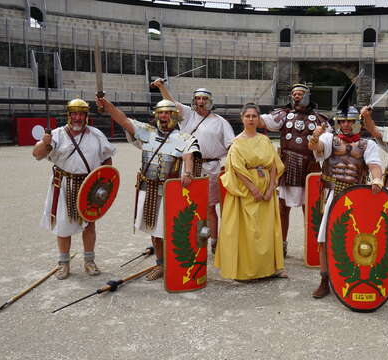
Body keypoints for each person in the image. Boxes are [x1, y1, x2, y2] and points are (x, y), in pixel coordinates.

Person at [96, 97, 199, 281]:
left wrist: (188, 172)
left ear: (175, 116)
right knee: (154, 230)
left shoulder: (184, 137)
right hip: (148, 189)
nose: (164, 116)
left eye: (167, 112)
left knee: (171, 231)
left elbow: (189, 156)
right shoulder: (147, 132)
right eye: (161, 113)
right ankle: (160, 264)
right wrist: (107, 105)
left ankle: (174, 262)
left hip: (169, 192)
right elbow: (123, 120)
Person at [32, 98, 115, 280]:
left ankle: (89, 261)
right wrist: (45, 143)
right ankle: (63, 263)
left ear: (86, 116)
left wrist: (104, 183)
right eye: (74, 114)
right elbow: (37, 155)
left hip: (89, 186)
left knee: (89, 224)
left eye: (81, 114)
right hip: (63, 185)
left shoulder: (96, 135)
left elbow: (107, 160)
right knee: (62, 225)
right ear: (69, 115)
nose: (78, 117)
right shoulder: (56, 134)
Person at [150, 79, 234, 254]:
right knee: (189, 205)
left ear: (210, 101)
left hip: (211, 167)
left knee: (210, 207)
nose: (201, 102)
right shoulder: (188, 115)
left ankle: (214, 241)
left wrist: (227, 166)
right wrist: (161, 87)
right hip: (187, 166)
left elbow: (231, 146)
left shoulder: (220, 122)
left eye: (204, 98)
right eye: (197, 98)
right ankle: (191, 240)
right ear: (193, 101)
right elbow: (172, 103)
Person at [307, 106, 383, 298]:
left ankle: (349, 277)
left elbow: (374, 164)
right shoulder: (329, 138)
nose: (346, 125)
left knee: (353, 238)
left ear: (357, 122)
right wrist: (315, 137)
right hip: (332, 192)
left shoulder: (368, 144)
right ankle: (325, 280)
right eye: (342, 121)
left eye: (349, 121)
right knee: (324, 238)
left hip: (355, 195)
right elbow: (317, 148)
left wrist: (377, 179)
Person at [215, 103, 287, 281]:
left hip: (266, 188)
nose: (251, 119)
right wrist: (253, 189)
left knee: (268, 229)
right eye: (248, 116)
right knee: (248, 231)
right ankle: (246, 270)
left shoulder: (264, 140)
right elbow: (237, 170)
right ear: (242, 119)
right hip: (245, 191)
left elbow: (273, 165)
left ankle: (273, 268)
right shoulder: (237, 143)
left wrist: (271, 188)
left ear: (258, 119)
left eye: (254, 116)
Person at [258, 83, 330, 256]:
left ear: (307, 96)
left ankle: (312, 246)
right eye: (294, 94)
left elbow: (330, 142)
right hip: (288, 164)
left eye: (300, 93)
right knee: (283, 208)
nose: (297, 96)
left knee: (311, 207)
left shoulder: (320, 119)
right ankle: (281, 244)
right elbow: (263, 121)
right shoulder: (283, 114)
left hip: (311, 166)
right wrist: (252, 114)